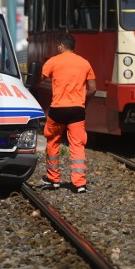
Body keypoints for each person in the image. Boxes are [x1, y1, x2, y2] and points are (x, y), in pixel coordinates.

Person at [40, 33, 96, 193]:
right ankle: (79, 184)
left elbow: (39, 78)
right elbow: (93, 88)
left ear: (61, 46)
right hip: (77, 110)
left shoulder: (53, 61)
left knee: (53, 141)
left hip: (57, 110)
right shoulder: (84, 63)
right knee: (77, 145)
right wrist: (83, 103)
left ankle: (53, 180)